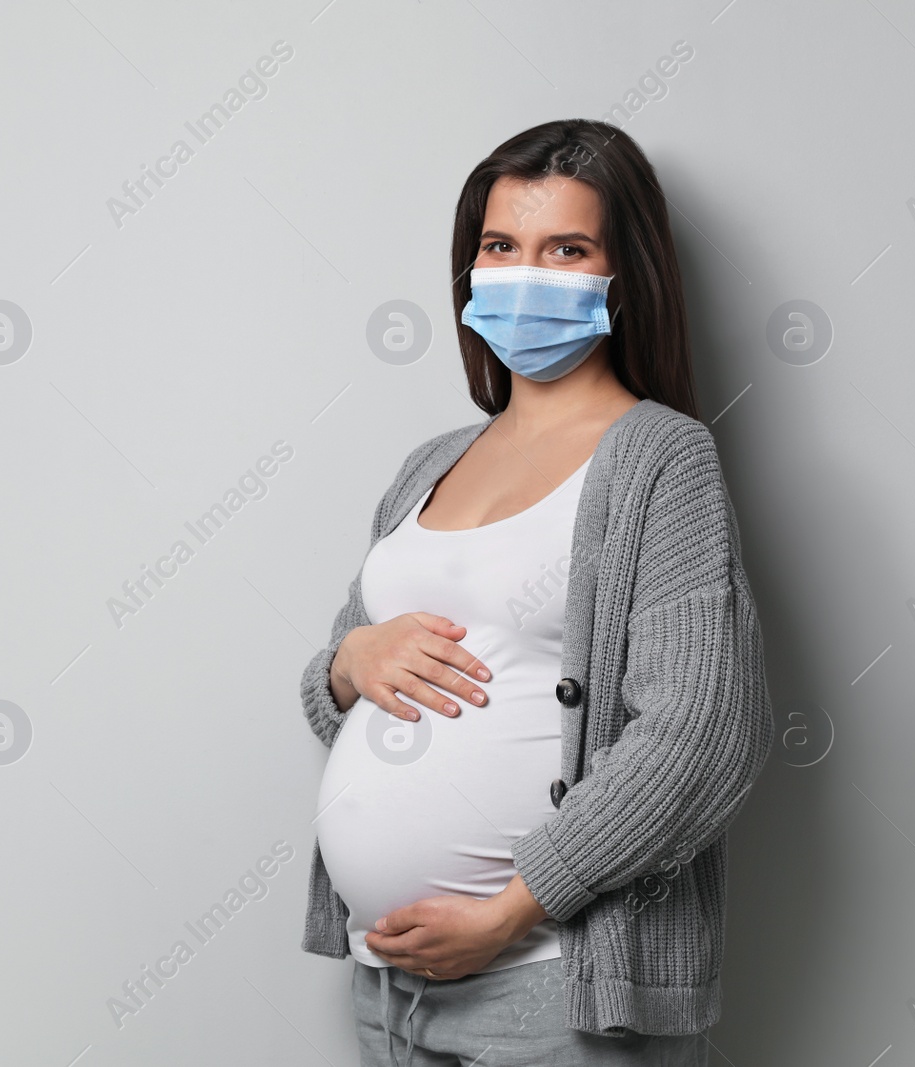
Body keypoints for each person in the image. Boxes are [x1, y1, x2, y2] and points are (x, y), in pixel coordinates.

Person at [298, 118, 775, 1066]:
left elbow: (706, 729)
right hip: (386, 989)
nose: (527, 272)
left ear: (622, 275)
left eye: (567, 248)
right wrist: (346, 664)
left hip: (557, 985)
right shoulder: (429, 464)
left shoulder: (659, 458)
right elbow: (343, 684)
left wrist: (514, 907)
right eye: (499, 247)